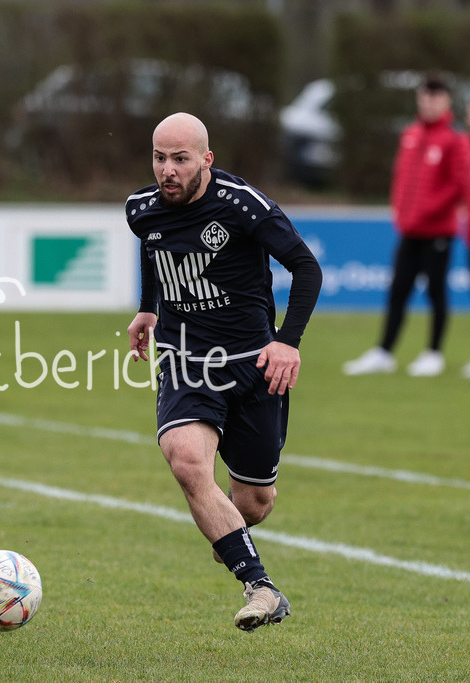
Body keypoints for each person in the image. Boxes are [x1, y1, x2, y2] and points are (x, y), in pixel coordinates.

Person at [125, 113, 322, 632]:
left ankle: (231, 535)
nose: (167, 170)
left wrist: (288, 343)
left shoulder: (244, 206)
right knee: (188, 462)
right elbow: (153, 248)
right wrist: (149, 308)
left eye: (180, 159)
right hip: (189, 362)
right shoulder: (141, 209)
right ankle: (260, 586)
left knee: (252, 504)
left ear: (206, 159)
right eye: (159, 158)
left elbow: (306, 267)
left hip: (255, 366)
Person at [343, 73, 470, 377]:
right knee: (398, 290)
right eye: (425, 96)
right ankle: (384, 351)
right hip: (409, 230)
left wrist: (428, 211)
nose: (429, 102)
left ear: (446, 101)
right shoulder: (411, 134)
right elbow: (402, 177)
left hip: (438, 231)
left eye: (435, 97)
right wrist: (400, 208)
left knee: (436, 292)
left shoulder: (453, 140)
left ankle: (434, 353)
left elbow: (458, 185)